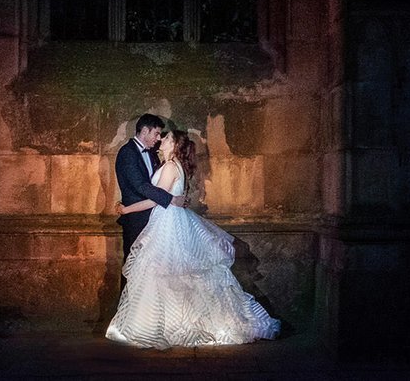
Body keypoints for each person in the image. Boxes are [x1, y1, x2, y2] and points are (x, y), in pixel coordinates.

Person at [105, 126, 281, 349]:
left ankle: (168, 326)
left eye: (166, 137)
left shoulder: (169, 167)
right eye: (160, 135)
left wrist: (126, 209)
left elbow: (156, 199)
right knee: (173, 274)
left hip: (168, 224)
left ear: (174, 145)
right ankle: (174, 323)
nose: (161, 140)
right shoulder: (172, 165)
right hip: (170, 219)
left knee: (166, 273)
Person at [114, 113, 188, 264]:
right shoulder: (127, 153)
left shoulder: (154, 154)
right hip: (136, 219)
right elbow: (140, 185)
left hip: (154, 219)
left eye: (162, 135)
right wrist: (171, 199)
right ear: (145, 131)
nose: (159, 138)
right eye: (156, 133)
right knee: (133, 266)